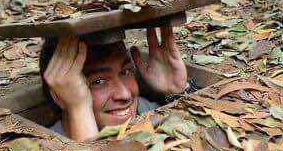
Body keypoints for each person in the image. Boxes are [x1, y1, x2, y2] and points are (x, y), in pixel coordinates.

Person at [40, 27, 189, 141]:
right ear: (60, 96)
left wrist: (177, 92)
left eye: (125, 72)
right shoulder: (46, 149)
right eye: (98, 81)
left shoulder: (144, 110)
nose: (124, 95)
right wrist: (78, 109)